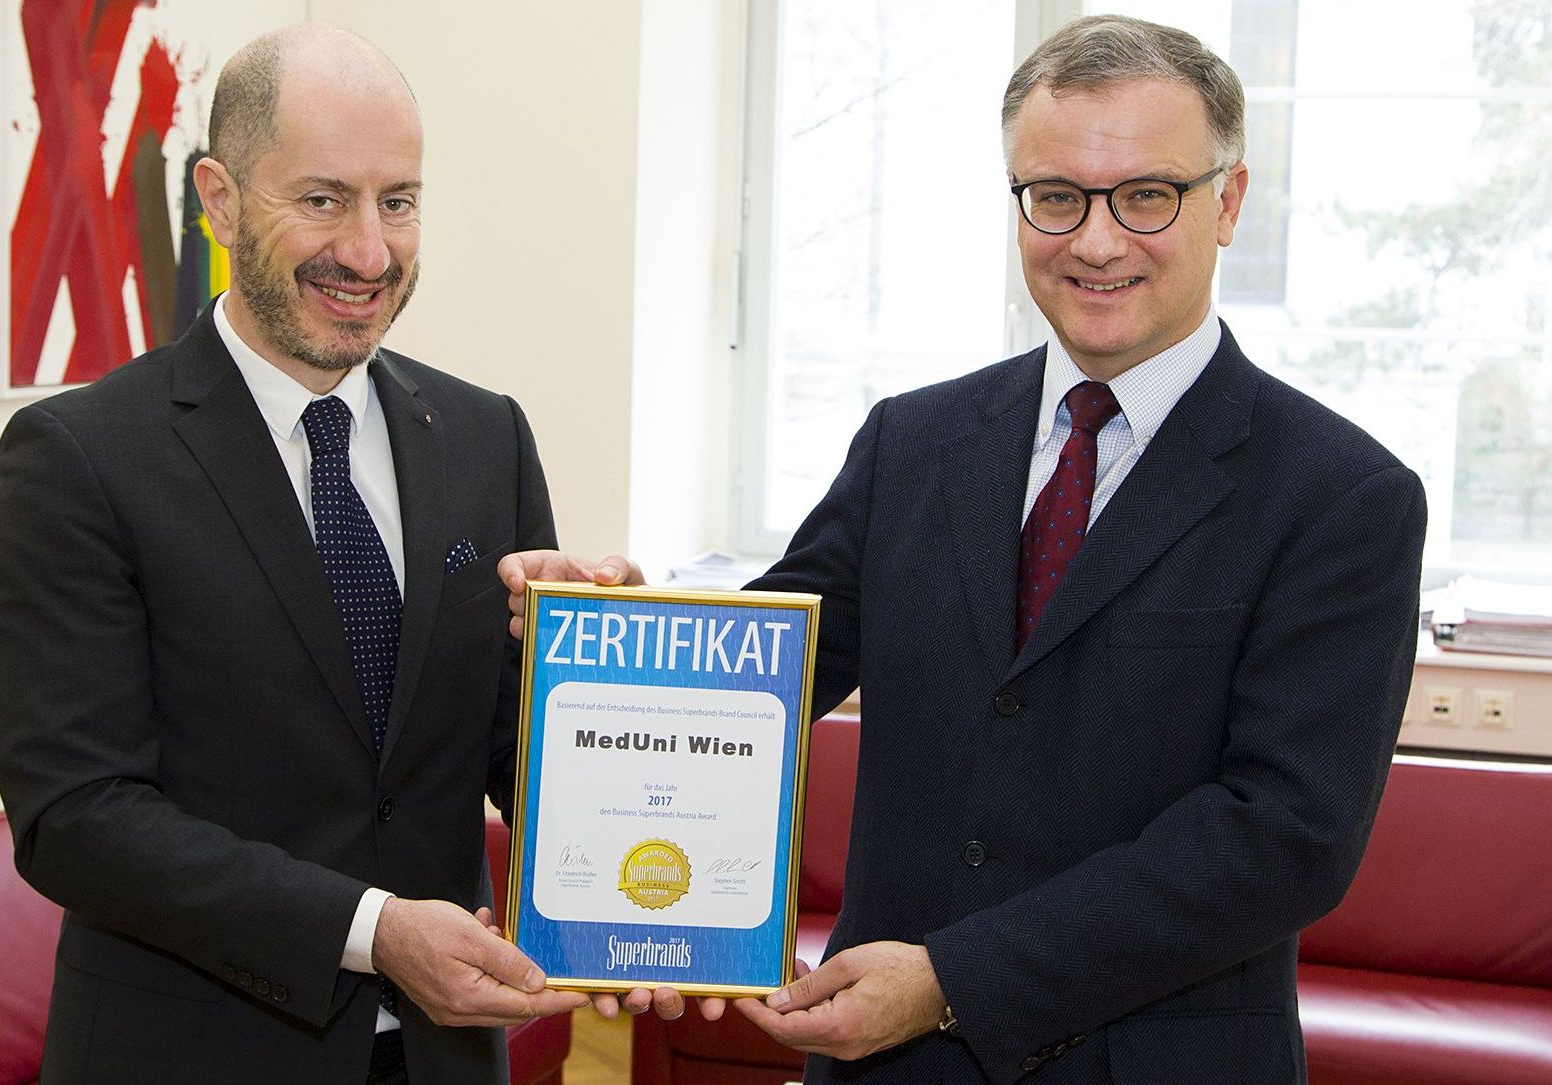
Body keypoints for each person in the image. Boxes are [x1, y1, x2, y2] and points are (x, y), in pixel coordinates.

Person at [501, 14, 1426, 1084]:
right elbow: (751, 677)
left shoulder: (1340, 495)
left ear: (1227, 201)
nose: (1093, 239)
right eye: (1055, 195)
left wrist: (954, 977)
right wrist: (610, 626)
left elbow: (1282, 839)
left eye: (1145, 194)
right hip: (885, 1067)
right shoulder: (914, 441)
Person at [0, 24, 587, 1085]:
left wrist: (588, 674)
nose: (368, 251)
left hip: (446, 1057)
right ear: (216, 200)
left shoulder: (487, 435)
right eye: (322, 198)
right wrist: (371, 927)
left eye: (397, 201)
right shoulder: (80, 457)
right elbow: (78, 817)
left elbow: (505, 753)